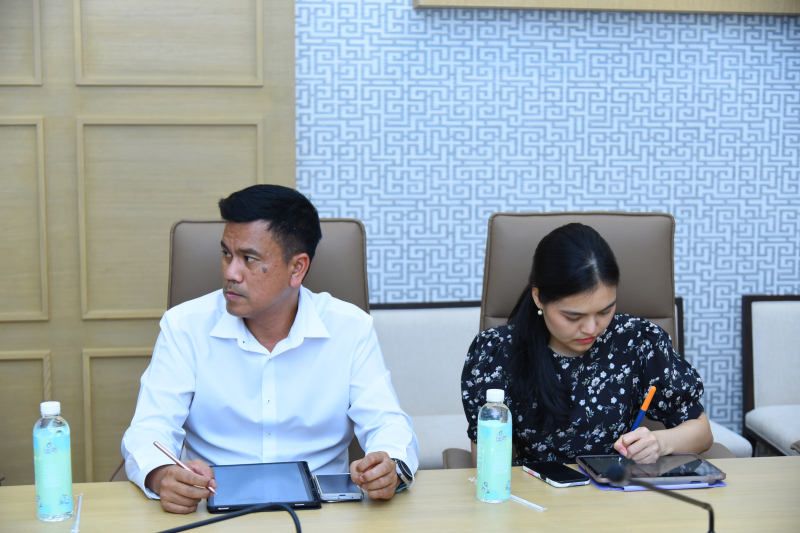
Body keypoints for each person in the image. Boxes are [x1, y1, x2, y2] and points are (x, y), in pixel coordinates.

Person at [122, 185, 417, 514]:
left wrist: (389, 466)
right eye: (226, 254)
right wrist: (163, 475)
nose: (230, 273)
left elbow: (388, 424)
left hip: (324, 513)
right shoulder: (184, 327)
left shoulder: (350, 328)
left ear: (297, 268)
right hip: (213, 508)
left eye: (248, 259)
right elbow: (149, 429)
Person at [461, 223, 713, 465]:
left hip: (615, 485)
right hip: (533, 490)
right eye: (573, 317)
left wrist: (660, 442)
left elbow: (702, 432)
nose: (592, 329)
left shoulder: (637, 341)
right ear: (538, 298)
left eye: (605, 311)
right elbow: (487, 461)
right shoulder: (496, 351)